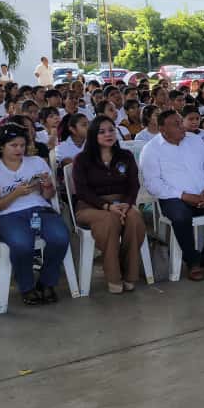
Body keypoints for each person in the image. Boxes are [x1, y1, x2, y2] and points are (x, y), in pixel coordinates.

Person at [140, 109, 204, 280]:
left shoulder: (195, 140)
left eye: (181, 122)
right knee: (181, 218)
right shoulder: (151, 149)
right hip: (174, 198)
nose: (182, 127)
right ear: (163, 129)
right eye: (176, 124)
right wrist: (184, 196)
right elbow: (153, 184)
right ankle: (193, 261)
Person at [0, 123, 70, 305]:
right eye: (13, 145)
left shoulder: (36, 162)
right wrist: (15, 194)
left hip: (39, 209)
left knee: (60, 236)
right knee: (22, 243)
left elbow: (48, 195)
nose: (19, 149)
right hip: (7, 216)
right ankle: (26, 286)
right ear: (1, 147)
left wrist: (47, 186)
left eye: (22, 145)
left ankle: (46, 282)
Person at [71, 116, 145, 294]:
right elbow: (82, 191)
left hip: (122, 203)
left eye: (111, 130)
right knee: (110, 220)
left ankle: (130, 274)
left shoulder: (125, 156)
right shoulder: (82, 159)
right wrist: (106, 206)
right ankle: (113, 275)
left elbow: (133, 185)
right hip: (90, 206)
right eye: (102, 132)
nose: (108, 134)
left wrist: (127, 204)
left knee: (134, 218)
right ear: (93, 135)